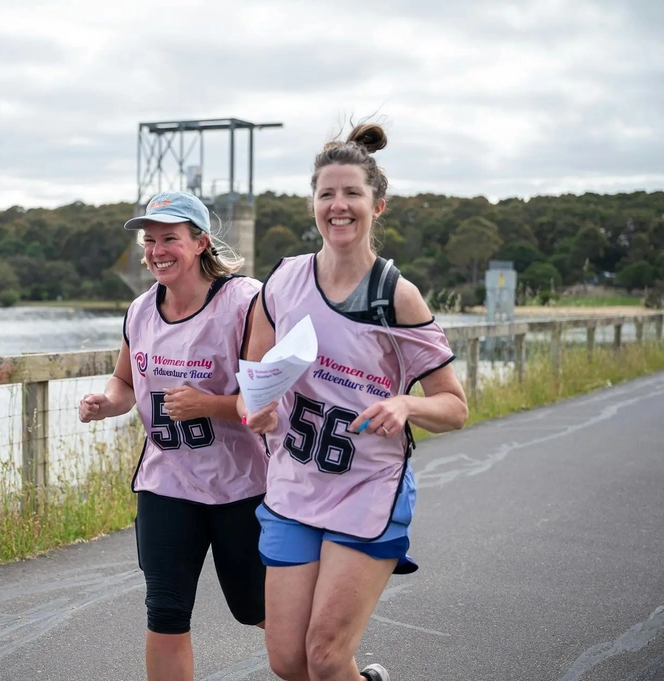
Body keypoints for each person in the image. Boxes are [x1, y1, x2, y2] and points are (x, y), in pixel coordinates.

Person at [240, 122, 469, 681]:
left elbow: (454, 407)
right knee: (288, 662)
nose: (338, 206)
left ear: (377, 205)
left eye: (352, 194)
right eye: (326, 194)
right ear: (313, 204)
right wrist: (259, 413)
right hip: (295, 485)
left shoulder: (395, 295)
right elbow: (254, 385)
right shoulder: (283, 281)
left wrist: (407, 406)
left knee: (324, 656)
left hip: (366, 488)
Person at [78, 191, 268, 681]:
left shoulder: (245, 302)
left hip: (243, 487)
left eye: (170, 239)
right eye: (149, 240)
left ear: (202, 242)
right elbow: (124, 382)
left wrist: (210, 405)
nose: (156, 250)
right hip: (167, 484)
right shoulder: (140, 310)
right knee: (165, 611)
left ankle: (338, 671)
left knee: (257, 608)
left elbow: (271, 402)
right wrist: (108, 403)